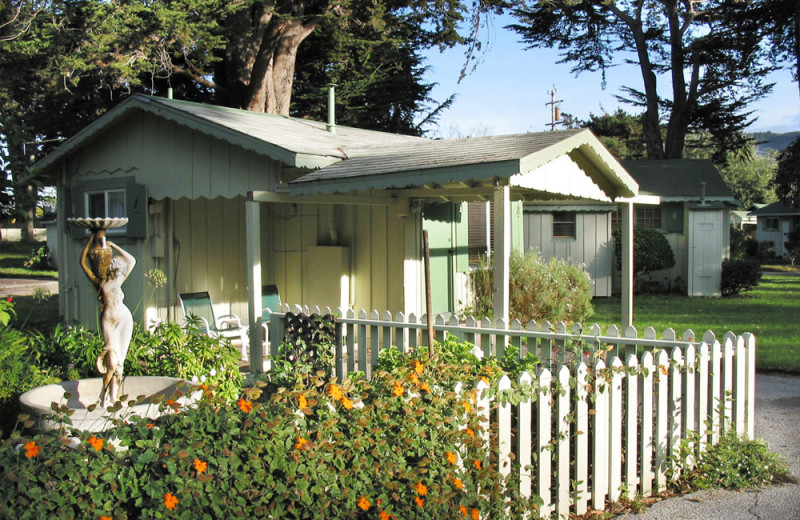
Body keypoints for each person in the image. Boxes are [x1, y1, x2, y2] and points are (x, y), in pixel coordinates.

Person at [80, 236, 136, 406]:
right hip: (109, 323)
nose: (119, 270)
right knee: (111, 361)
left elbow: (132, 260)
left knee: (120, 363)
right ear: (112, 267)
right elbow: (83, 264)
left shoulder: (120, 280)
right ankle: (104, 395)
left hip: (124, 319)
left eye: (121, 268)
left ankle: (115, 396)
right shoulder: (101, 282)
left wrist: (114, 245)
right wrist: (89, 242)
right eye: (117, 267)